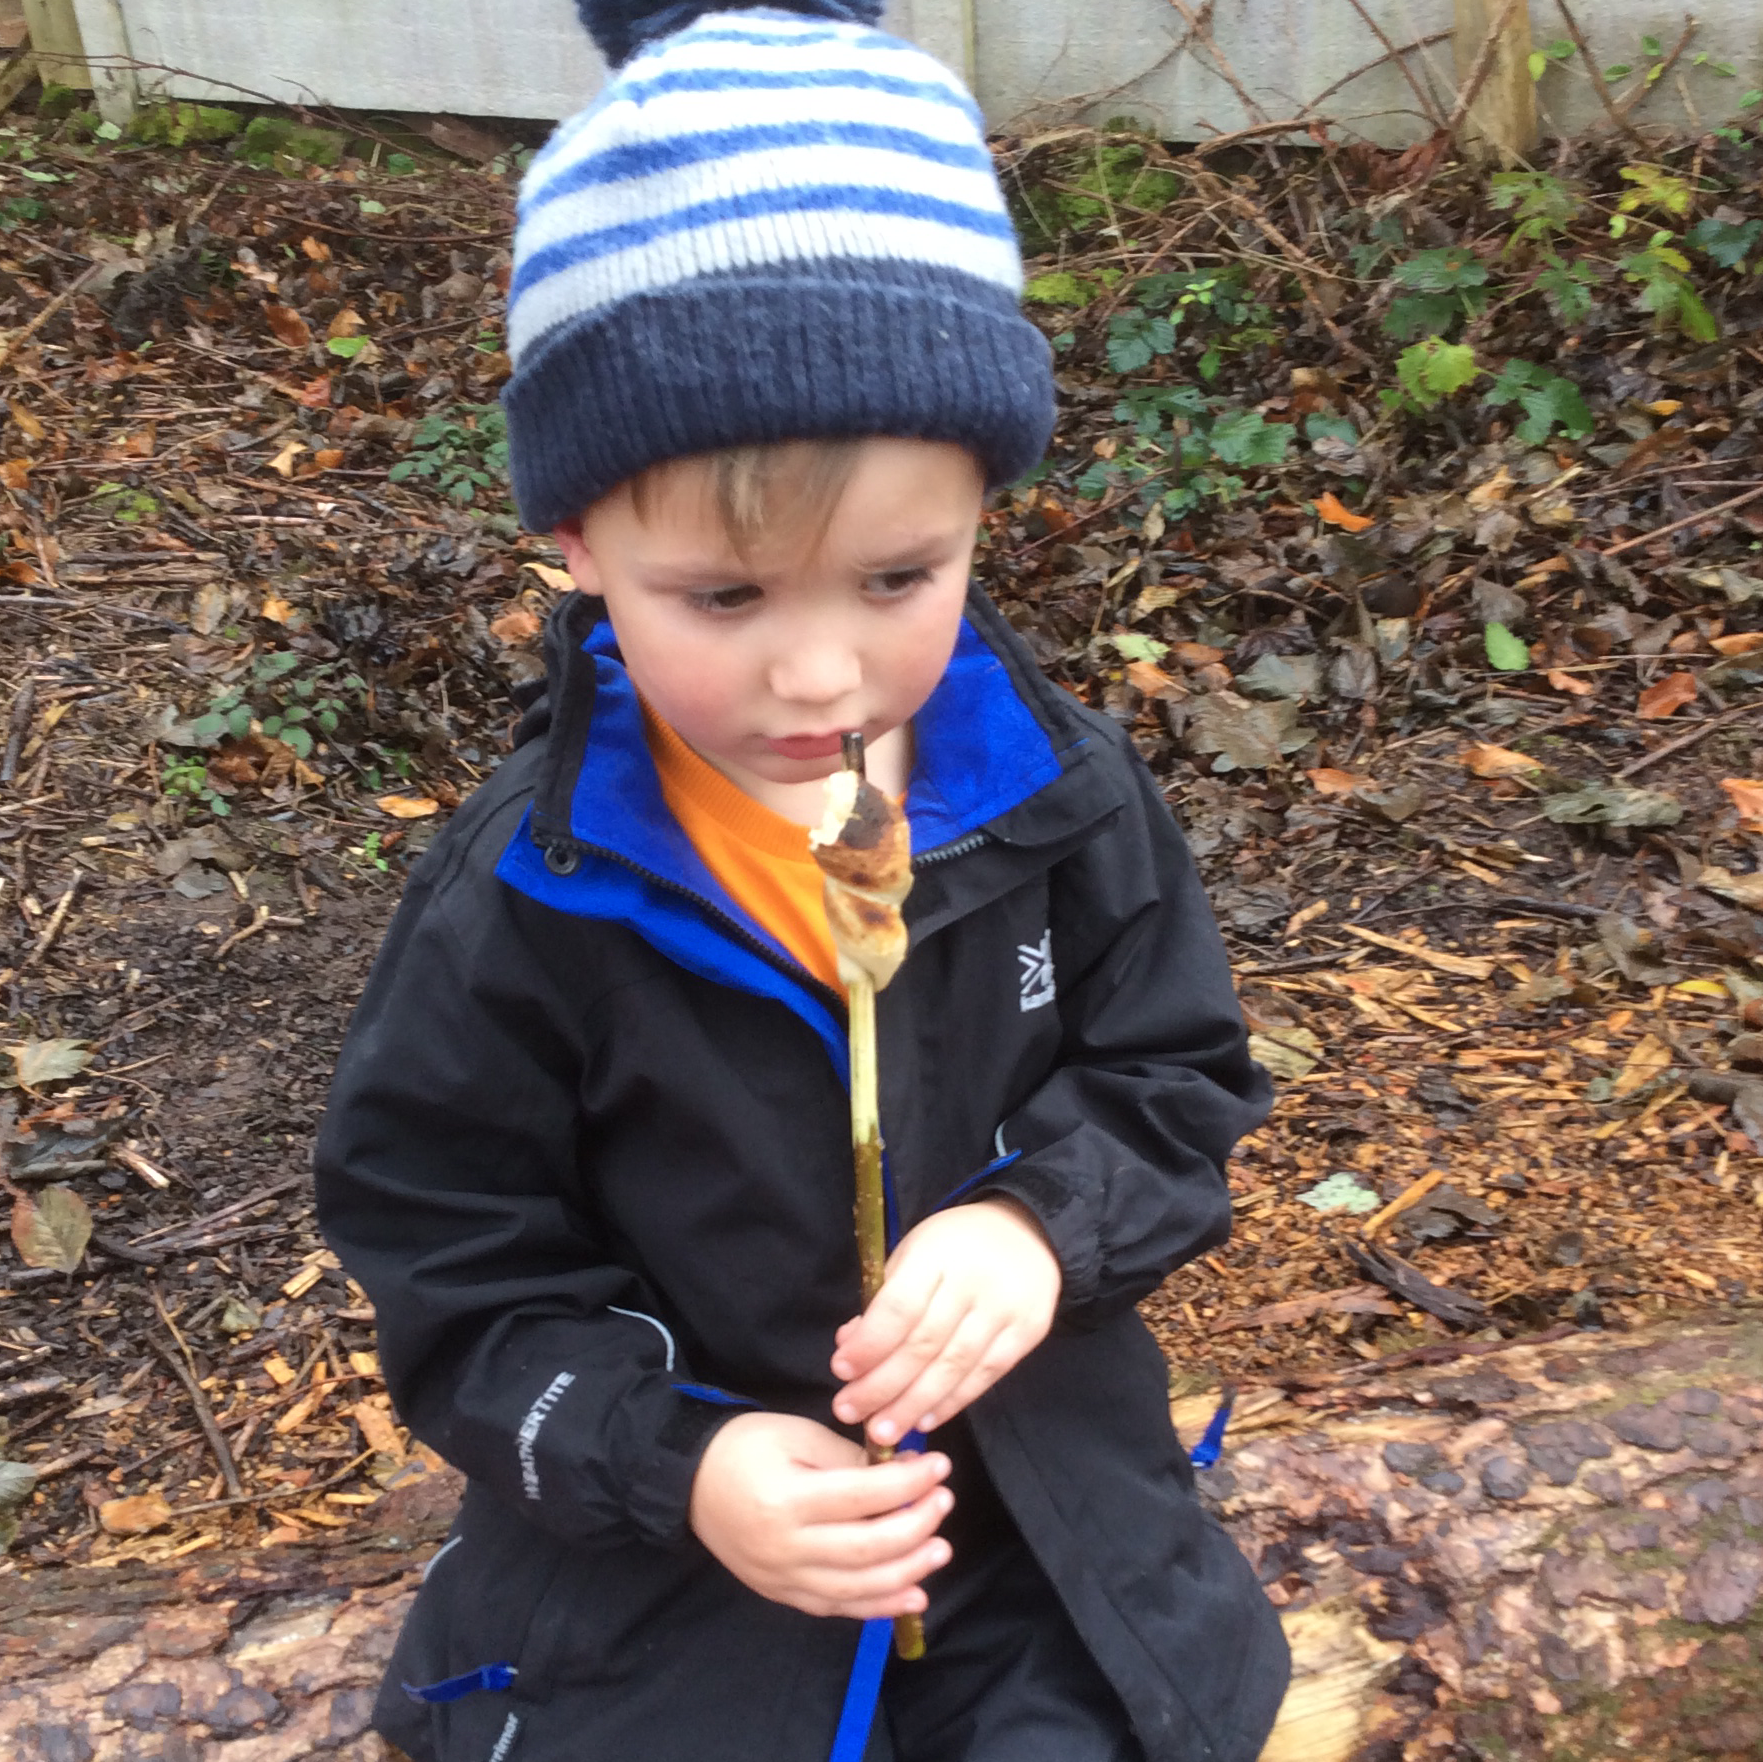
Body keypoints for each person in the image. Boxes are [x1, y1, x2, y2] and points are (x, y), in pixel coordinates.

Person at [313, 4, 1291, 1760]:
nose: (823, 676)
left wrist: (1037, 1223)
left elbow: (1175, 1078)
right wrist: (682, 1464)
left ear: (981, 506)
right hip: (672, 1574)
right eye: (725, 597)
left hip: (1033, 1529)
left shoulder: (1057, 801)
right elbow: (448, 1262)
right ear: (576, 539)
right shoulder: (529, 893)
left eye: (897, 577)